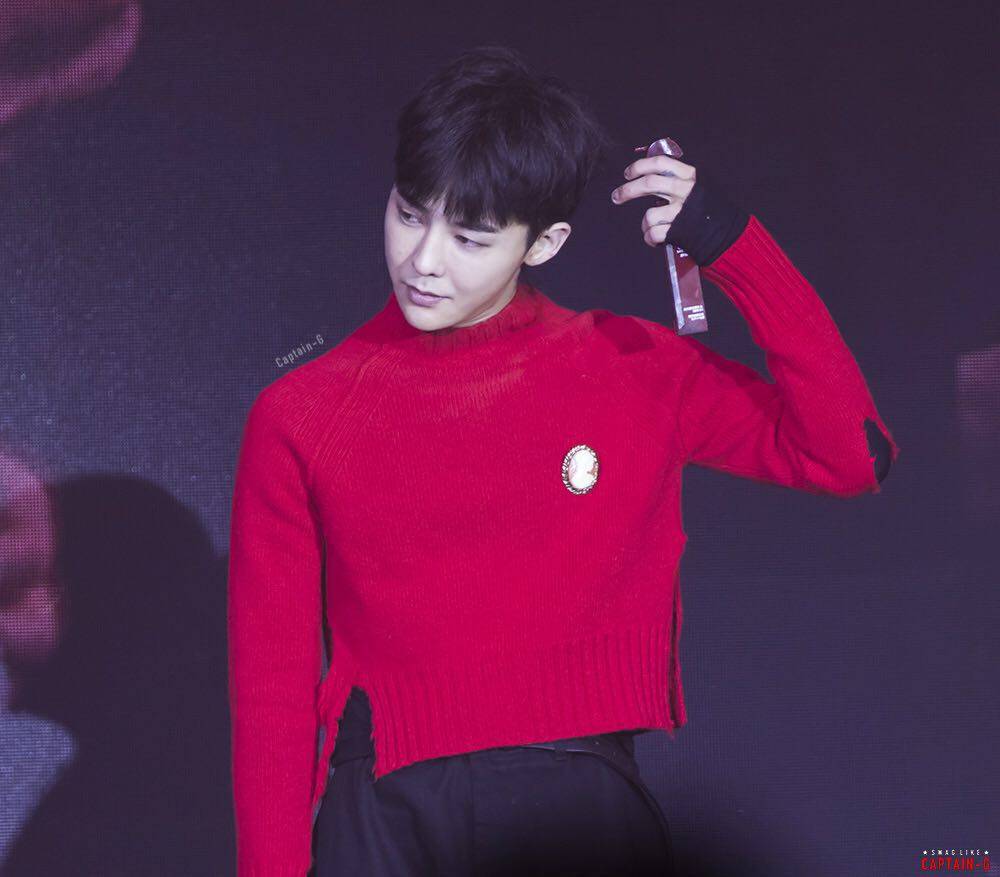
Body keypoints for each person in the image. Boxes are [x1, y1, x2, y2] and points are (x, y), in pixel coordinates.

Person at [226, 44, 899, 877]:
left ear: (543, 243)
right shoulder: (302, 413)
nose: (423, 259)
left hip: (577, 812)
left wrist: (731, 243)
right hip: (384, 820)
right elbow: (273, 696)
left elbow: (848, 453)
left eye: (469, 236)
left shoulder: (631, 369)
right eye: (408, 212)